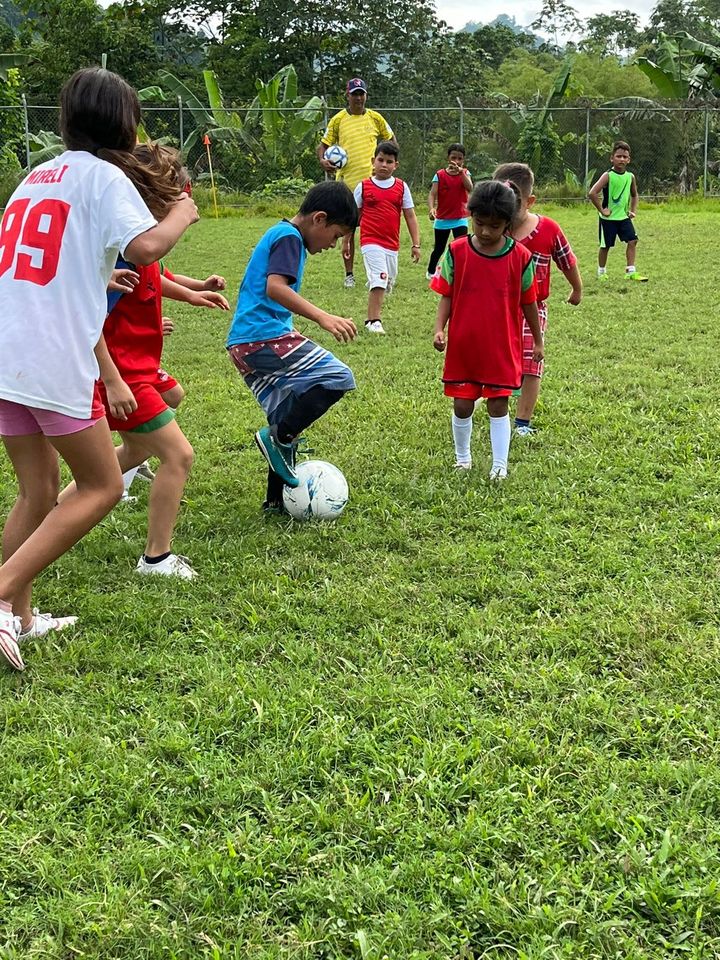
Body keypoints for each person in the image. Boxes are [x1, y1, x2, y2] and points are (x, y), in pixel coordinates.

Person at [0, 67, 199, 671]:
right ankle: (1, 593)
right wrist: (182, 212)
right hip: (55, 356)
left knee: (37, 491)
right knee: (103, 485)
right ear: (123, 123)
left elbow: (40, 257)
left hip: (9, 349)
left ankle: (20, 617)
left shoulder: (37, 176)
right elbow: (146, 247)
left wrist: (93, 275)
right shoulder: (104, 174)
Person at [60, 145, 230, 580]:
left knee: (158, 417)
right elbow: (87, 317)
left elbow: (157, 276)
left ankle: (61, 507)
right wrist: (112, 379)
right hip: (123, 372)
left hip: (138, 367)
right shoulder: (123, 245)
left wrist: (194, 292)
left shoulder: (141, 243)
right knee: (179, 456)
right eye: (175, 186)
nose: (183, 193)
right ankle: (156, 558)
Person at [227, 181, 359, 513]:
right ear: (319, 218)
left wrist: (289, 326)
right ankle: (278, 438)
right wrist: (323, 317)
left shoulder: (281, 233)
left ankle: (275, 501)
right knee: (338, 377)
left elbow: (262, 293)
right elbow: (275, 288)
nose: (332, 245)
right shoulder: (290, 237)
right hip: (262, 338)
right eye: (335, 235)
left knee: (286, 415)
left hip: (245, 344)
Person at [431, 180, 542, 480]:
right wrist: (439, 328)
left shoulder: (520, 257)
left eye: (494, 226)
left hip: (501, 347)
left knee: (498, 404)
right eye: (479, 223)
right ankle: (462, 459)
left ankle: (499, 466)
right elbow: (447, 294)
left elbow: (529, 302)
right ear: (471, 216)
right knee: (462, 404)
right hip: (464, 345)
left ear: (507, 223)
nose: (485, 232)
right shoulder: (457, 251)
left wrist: (538, 341)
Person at [493, 162, 583, 436]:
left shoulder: (548, 229)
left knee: (532, 364)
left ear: (530, 201)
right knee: (498, 362)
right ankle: (497, 412)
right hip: (497, 309)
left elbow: (567, 260)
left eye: (514, 203)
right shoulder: (493, 230)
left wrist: (576, 289)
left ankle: (522, 422)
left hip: (533, 309)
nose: (507, 211)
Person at [317, 78, 396, 289]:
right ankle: (349, 274)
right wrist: (323, 160)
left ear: (366, 95)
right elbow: (323, 146)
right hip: (347, 187)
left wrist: (386, 164)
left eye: (361, 94)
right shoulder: (338, 120)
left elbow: (391, 141)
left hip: (373, 185)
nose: (358, 98)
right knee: (348, 231)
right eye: (355, 94)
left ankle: (380, 274)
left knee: (376, 232)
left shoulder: (375, 118)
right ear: (348, 95)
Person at [350, 141, 421, 335]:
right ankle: (373, 321)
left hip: (391, 244)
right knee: (381, 277)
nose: (384, 165)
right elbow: (353, 217)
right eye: (380, 160)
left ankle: (375, 281)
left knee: (388, 280)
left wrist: (416, 244)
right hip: (370, 241)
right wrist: (347, 240)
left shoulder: (401, 187)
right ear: (373, 161)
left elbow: (410, 216)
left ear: (395, 165)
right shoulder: (363, 187)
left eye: (389, 162)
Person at [588, 140, 648, 282]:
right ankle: (601, 272)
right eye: (618, 156)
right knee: (605, 246)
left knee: (633, 240)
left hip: (623, 217)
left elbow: (634, 195)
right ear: (612, 158)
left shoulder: (630, 177)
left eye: (624, 157)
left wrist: (632, 210)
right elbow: (592, 193)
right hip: (608, 219)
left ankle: (630, 271)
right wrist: (602, 210)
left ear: (628, 160)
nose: (621, 159)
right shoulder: (608, 175)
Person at [427, 143, 472, 279]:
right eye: (453, 158)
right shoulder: (439, 175)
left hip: (460, 218)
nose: (456, 161)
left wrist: (461, 172)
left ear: (463, 159)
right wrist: (431, 208)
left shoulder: (465, 173)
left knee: (461, 247)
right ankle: (431, 271)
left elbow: (470, 187)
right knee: (439, 248)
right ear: (448, 158)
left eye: (460, 158)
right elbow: (432, 194)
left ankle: (459, 272)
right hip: (442, 218)